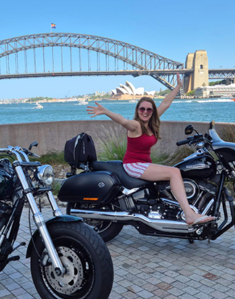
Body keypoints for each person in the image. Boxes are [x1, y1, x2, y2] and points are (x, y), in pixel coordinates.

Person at [87, 73, 215, 226]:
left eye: (149, 109)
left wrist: (179, 86)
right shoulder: (136, 125)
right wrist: (106, 111)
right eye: (142, 109)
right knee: (174, 172)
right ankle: (189, 214)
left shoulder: (151, 122)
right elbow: (123, 120)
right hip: (133, 164)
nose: (145, 112)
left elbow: (165, 103)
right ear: (138, 110)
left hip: (144, 163)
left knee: (173, 172)